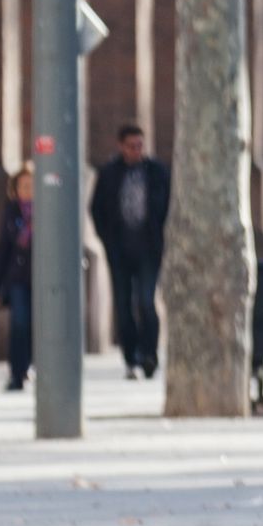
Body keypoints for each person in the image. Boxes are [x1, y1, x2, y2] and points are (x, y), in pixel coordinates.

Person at [89, 123, 170, 380]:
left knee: (146, 301)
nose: (136, 150)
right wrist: (107, 241)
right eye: (131, 146)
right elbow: (97, 209)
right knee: (123, 307)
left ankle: (150, 355)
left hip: (149, 250)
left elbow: (168, 206)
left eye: (140, 145)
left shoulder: (156, 172)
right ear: (121, 146)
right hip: (120, 251)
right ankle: (131, 357)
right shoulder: (109, 173)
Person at [0, 166, 34, 391]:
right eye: (23, 186)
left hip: (42, 279)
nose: (28, 190)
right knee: (19, 323)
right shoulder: (11, 211)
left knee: (36, 324)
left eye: (32, 186)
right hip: (17, 278)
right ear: (15, 190)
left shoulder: (48, 210)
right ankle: (17, 371)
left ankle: (30, 365)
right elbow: (2, 249)